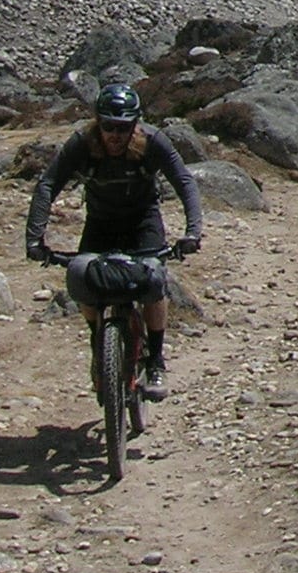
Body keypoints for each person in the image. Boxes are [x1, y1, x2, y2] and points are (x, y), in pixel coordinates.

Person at [24, 82, 204, 398]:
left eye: (123, 128)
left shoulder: (153, 141)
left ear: (134, 125)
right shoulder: (81, 143)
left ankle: (156, 361)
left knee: (153, 280)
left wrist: (192, 232)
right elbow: (48, 184)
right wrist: (35, 238)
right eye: (108, 126)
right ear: (98, 123)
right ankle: (99, 341)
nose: (115, 135)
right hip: (101, 223)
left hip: (142, 220)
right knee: (81, 276)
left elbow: (184, 181)